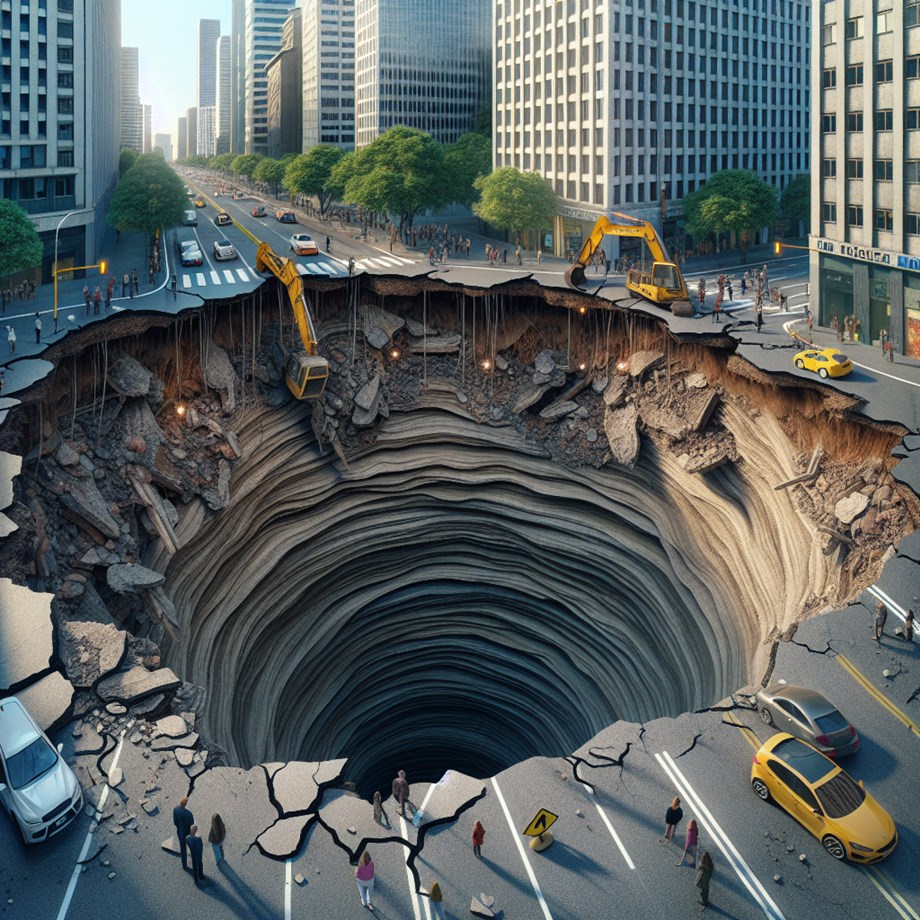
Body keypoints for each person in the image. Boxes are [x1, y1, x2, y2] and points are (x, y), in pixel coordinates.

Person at [173, 796, 195, 872]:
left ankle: (184, 865)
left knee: (182, 848)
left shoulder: (175, 809)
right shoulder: (189, 814)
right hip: (188, 834)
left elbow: (175, 822)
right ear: (186, 804)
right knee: (192, 848)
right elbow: (192, 825)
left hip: (180, 832)